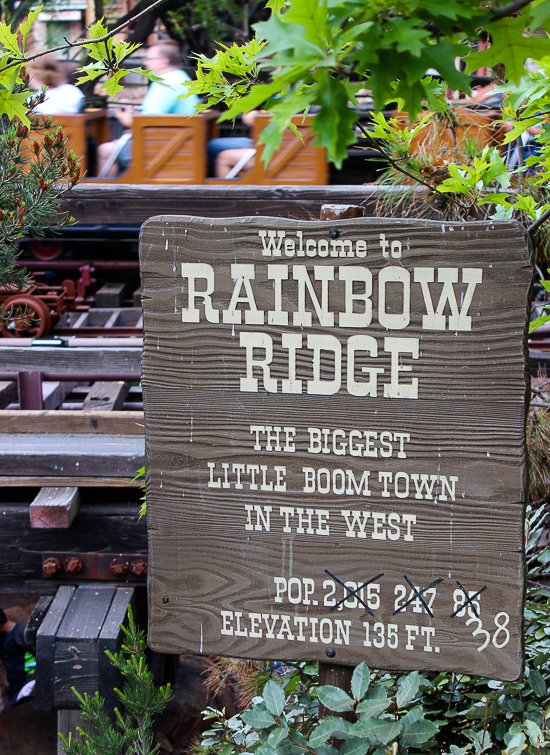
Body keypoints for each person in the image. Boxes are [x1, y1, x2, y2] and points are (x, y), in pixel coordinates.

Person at [97, 41, 199, 177]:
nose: (146, 63)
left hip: (163, 149)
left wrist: (127, 120)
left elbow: (148, 121)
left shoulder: (165, 83)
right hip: (179, 144)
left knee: (104, 150)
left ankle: (105, 195)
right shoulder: (181, 78)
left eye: (150, 59)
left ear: (163, 61)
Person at [0, 607, 36, 711]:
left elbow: (42, 654)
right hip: (15, 687)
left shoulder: (21, 632)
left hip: (28, 683)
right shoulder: (4, 638)